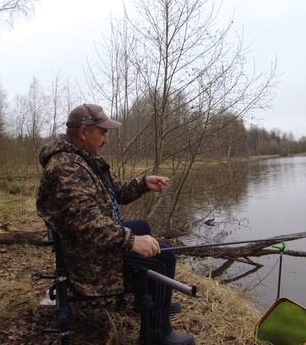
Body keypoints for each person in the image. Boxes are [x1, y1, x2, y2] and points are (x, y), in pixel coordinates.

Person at [36, 103, 195, 345]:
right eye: (103, 131)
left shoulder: (83, 159)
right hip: (86, 258)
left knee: (142, 226)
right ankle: (157, 334)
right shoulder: (67, 168)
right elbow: (86, 225)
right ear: (83, 131)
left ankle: (153, 302)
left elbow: (113, 192)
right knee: (165, 256)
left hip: (93, 242)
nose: (106, 138)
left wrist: (143, 184)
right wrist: (130, 241)